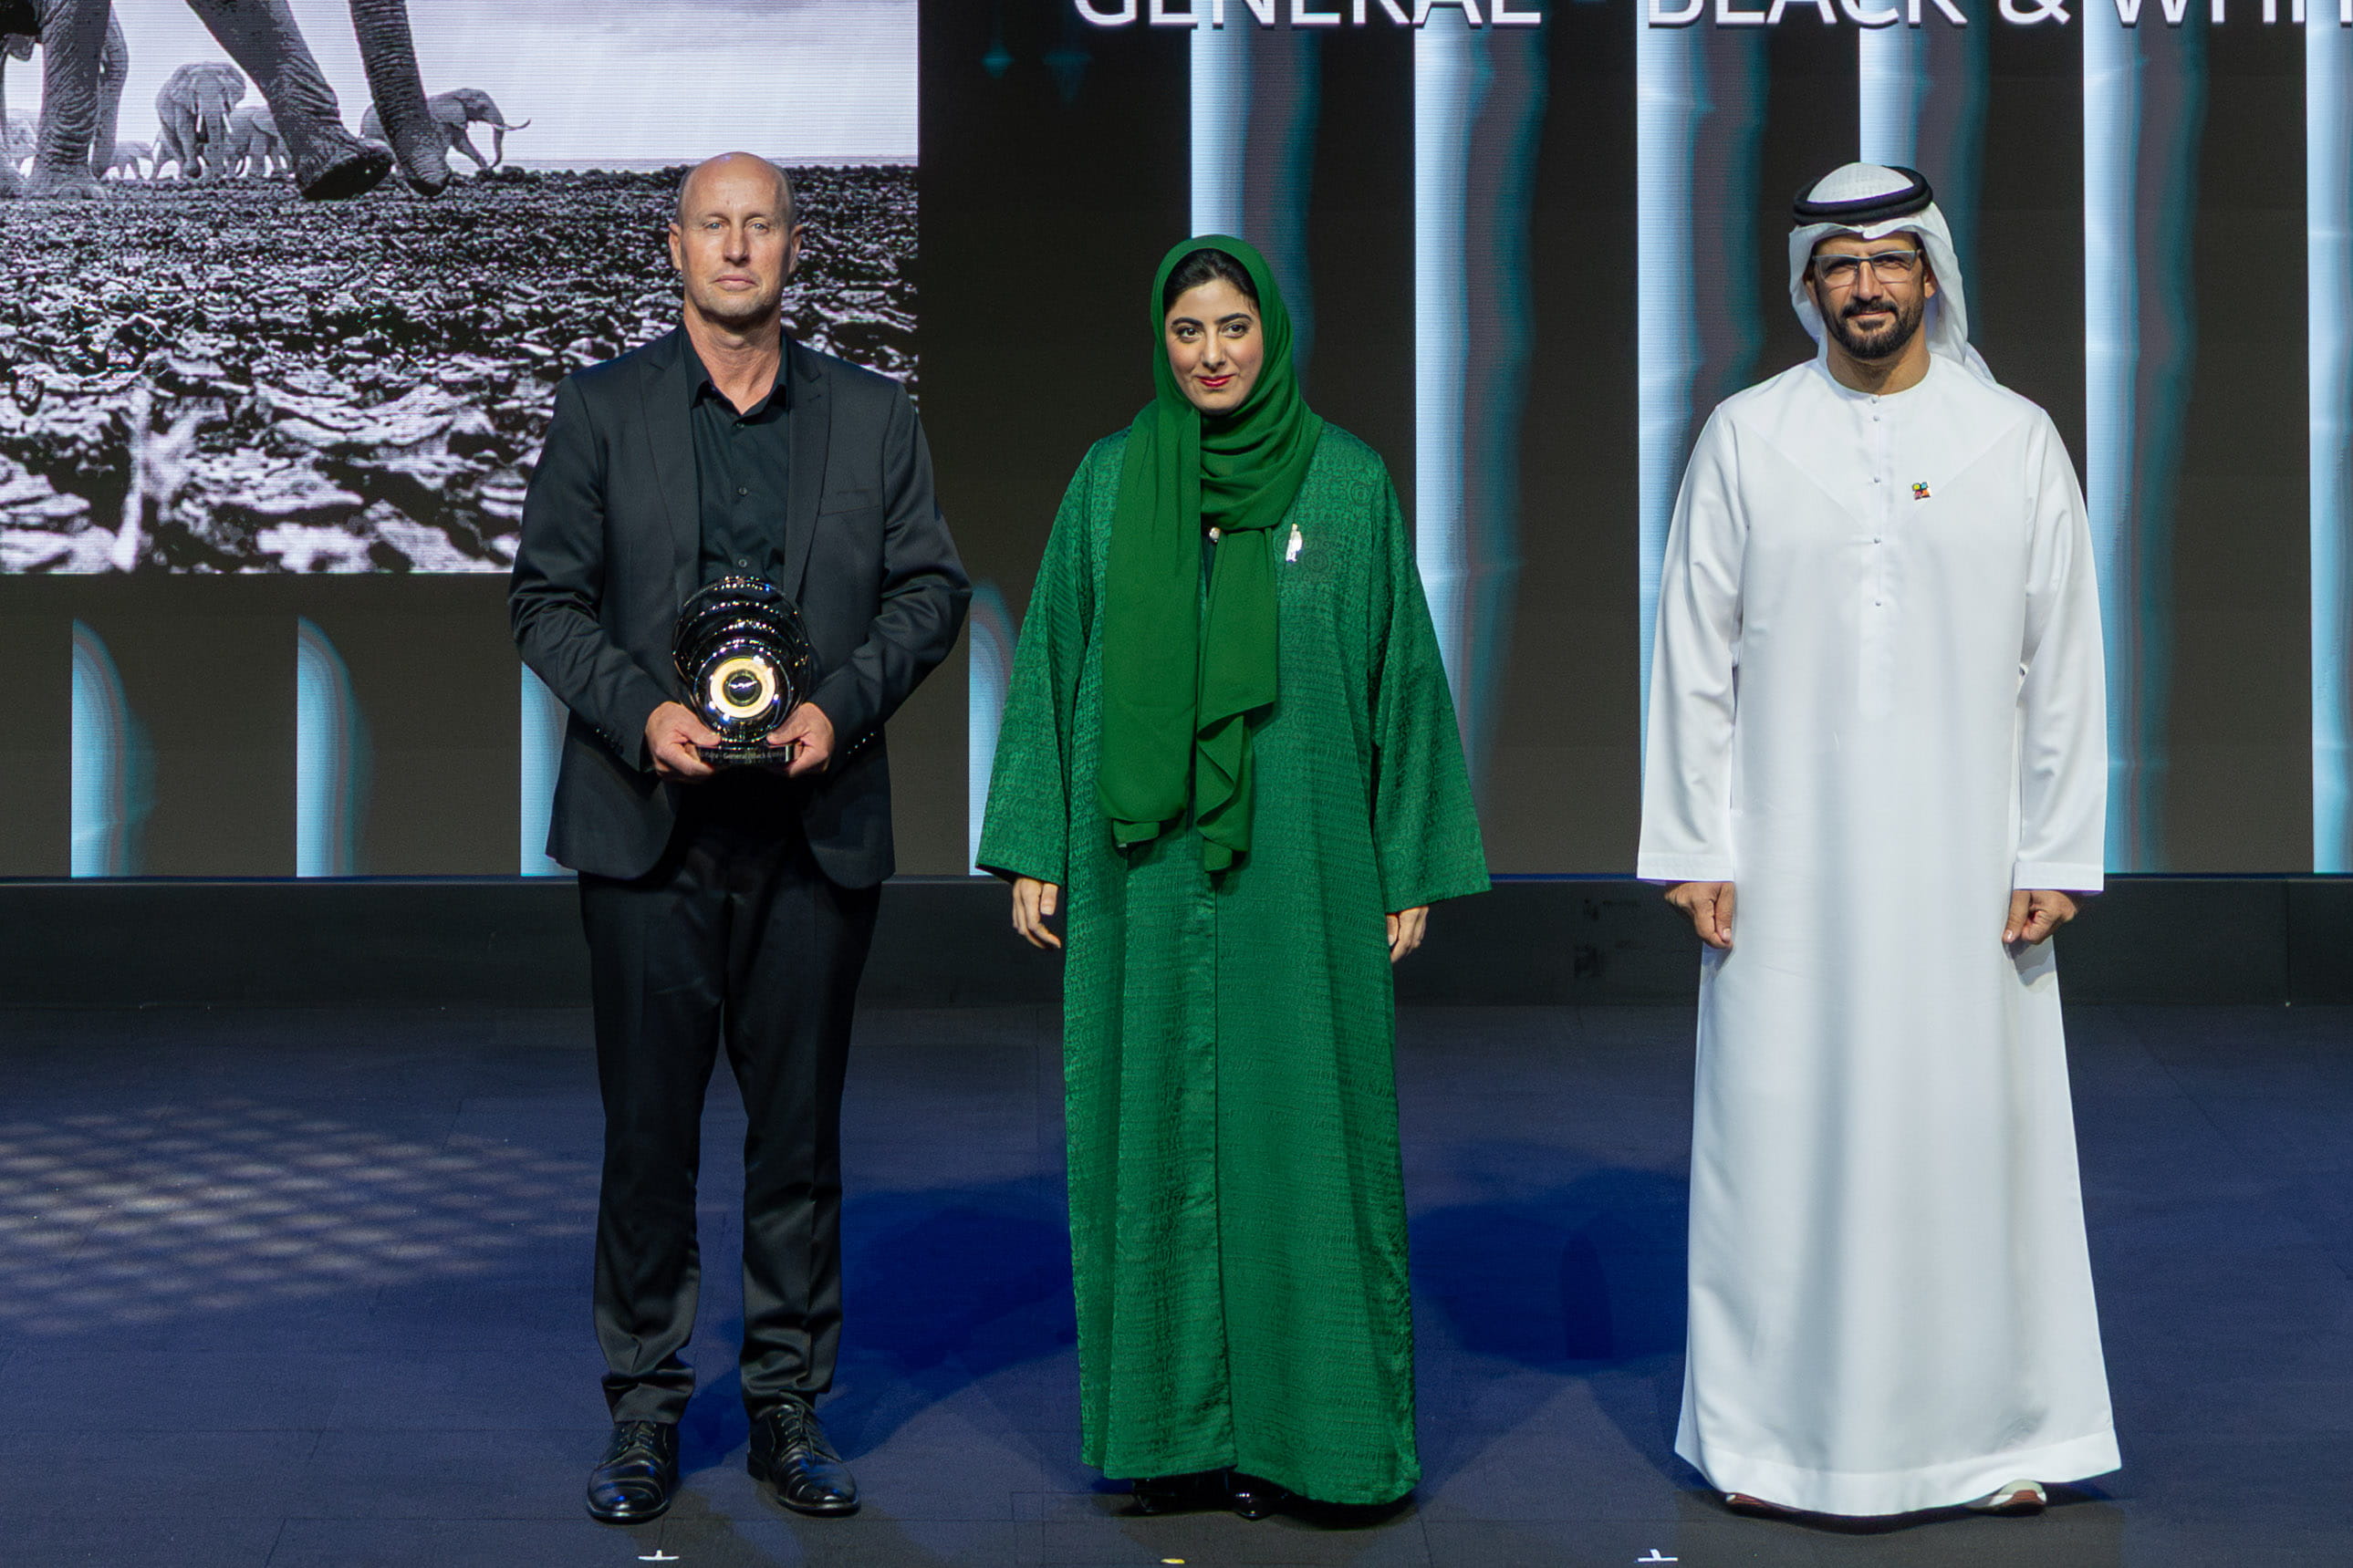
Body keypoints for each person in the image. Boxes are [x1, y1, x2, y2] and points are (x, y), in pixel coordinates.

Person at [977, 235, 1488, 1516]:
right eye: (1188, 331)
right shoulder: (1110, 481)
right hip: (1139, 872)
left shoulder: (1348, 482)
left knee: (1311, 1132)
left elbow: (1400, 674)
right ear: (1163, 343)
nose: (1212, 354)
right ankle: (1171, 1437)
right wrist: (1033, 841)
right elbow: (1053, 657)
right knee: (1146, 1122)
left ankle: (1320, 1444)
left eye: (1234, 328)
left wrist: (1408, 858)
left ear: (1273, 335)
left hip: (1306, 865)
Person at [1639, 162, 2117, 1518]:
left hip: (1971, 869)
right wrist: (1695, 842)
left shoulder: (2012, 437)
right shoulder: (1747, 435)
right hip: (1785, 871)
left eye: (1890, 260)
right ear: (1809, 287)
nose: (1867, 286)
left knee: (1974, 1141)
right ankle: (1766, 1445)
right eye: (1841, 265)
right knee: (1778, 1145)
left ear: (1930, 276)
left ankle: (1993, 1441)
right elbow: (1693, 655)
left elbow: (2065, 658)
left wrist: (2054, 850)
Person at [509, 151, 968, 1524]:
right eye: (713, 224)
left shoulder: (875, 415)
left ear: (792, 247)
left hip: (813, 833)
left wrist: (838, 708)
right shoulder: (601, 409)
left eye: (760, 224)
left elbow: (930, 591)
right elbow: (544, 602)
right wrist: (641, 713)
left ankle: (788, 1409)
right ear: (675, 248)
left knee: (800, 1141)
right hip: (648, 832)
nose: (736, 246)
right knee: (647, 1141)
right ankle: (645, 1414)